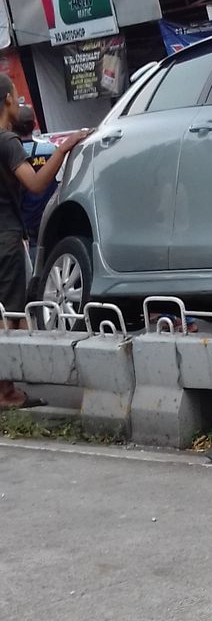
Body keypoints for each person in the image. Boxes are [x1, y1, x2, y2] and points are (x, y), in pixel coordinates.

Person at [0, 74, 87, 408]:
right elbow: (35, 184)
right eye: (16, 95)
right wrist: (64, 149)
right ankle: (6, 391)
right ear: (7, 99)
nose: (19, 99)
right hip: (5, 237)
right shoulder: (7, 142)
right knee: (9, 313)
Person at [16, 106, 57, 269]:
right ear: (34, 125)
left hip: (21, 219)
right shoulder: (50, 150)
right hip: (46, 214)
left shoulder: (11, 151)